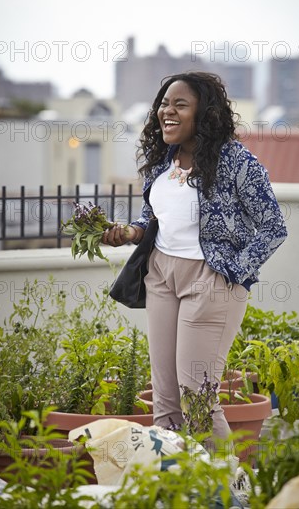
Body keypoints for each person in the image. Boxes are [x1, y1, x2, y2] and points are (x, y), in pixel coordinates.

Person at [102, 71, 288, 443]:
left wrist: (232, 273)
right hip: (161, 276)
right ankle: (177, 488)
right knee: (166, 401)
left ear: (204, 114)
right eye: (164, 104)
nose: (166, 112)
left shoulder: (237, 162)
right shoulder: (163, 160)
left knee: (197, 399)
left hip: (211, 281)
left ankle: (227, 494)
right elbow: (156, 216)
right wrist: (131, 232)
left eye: (180, 105)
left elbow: (273, 228)